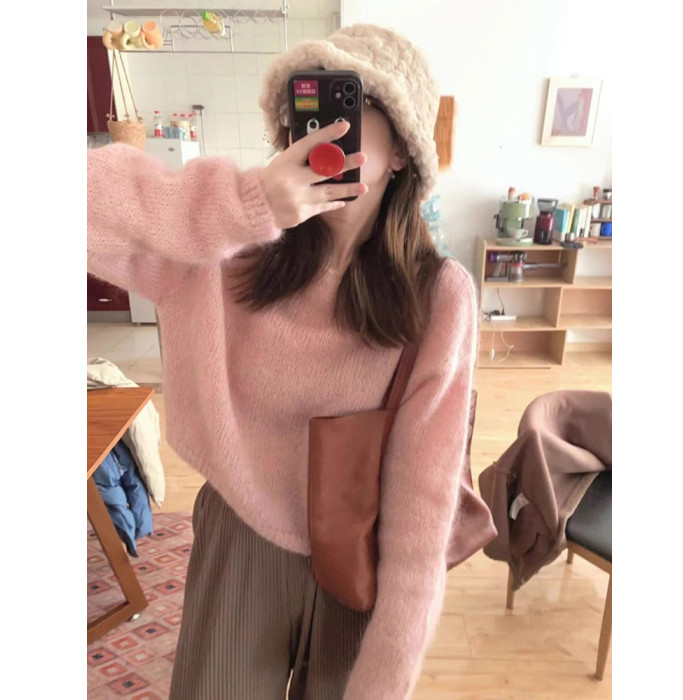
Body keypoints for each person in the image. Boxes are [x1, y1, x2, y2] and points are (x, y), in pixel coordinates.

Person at [87, 23, 479, 700]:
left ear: (402, 152)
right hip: (239, 536)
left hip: (364, 551)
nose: (326, 129)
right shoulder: (225, 253)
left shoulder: (438, 295)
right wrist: (245, 205)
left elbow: (423, 502)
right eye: (310, 105)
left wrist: (389, 674)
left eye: (352, 105)